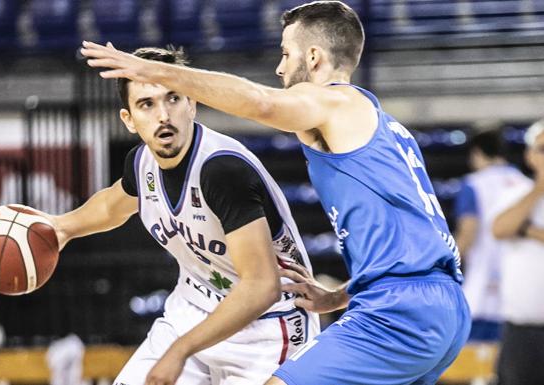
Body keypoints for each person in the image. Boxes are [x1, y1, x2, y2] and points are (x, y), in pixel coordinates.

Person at [80, 1, 470, 384]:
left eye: (286, 54)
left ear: (313, 57)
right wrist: (339, 297)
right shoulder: (385, 128)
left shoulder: (334, 101)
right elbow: (412, 247)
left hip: (399, 312)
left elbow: (261, 103)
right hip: (441, 308)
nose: (279, 68)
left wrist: (156, 72)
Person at [48, 47, 318, 385]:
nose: (163, 115)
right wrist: (60, 228)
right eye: (147, 104)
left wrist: (179, 350)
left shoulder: (221, 169)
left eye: (173, 99)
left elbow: (261, 286)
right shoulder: (142, 162)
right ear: (128, 119)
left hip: (267, 328)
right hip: (190, 311)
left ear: (192, 103)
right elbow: (111, 205)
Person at [454, 128, 521, 341]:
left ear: (476, 153)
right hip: (517, 289)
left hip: (481, 289)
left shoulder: (474, 184)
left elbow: (468, 232)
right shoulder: (526, 184)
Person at [492, 119, 544, 385]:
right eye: (543, 149)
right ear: (529, 155)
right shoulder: (516, 193)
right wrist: (540, 187)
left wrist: (529, 231)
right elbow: (500, 228)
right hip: (522, 330)